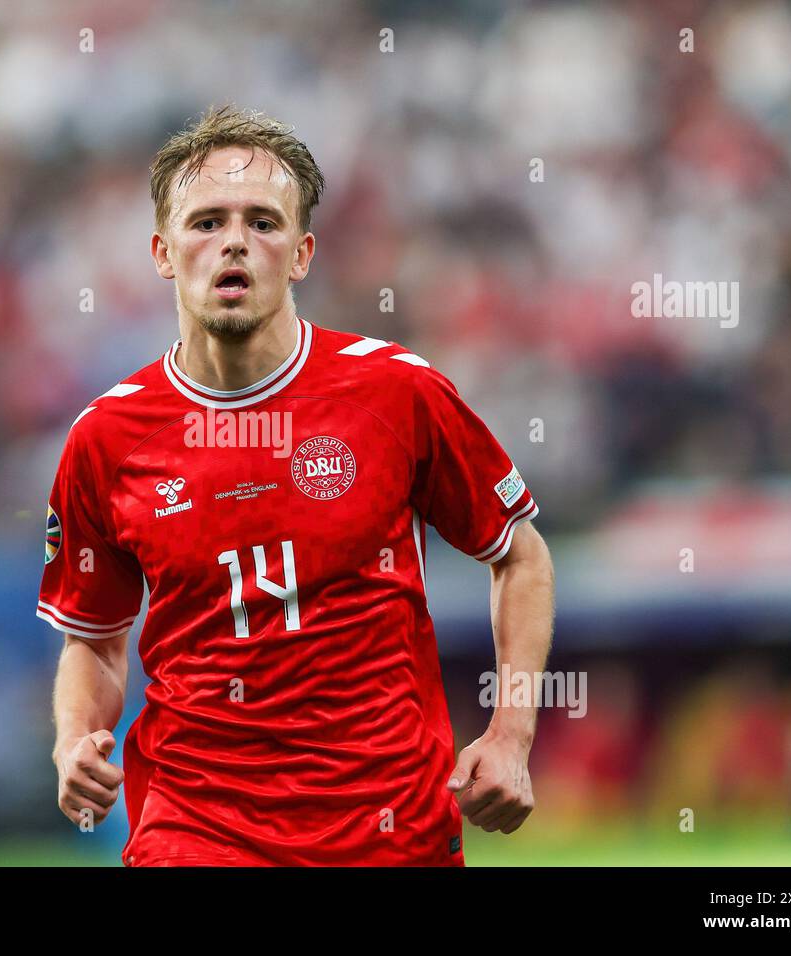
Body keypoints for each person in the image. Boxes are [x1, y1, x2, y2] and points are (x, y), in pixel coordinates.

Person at [38, 104, 555, 866]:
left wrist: (510, 735)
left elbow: (521, 557)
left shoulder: (395, 394)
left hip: (387, 825)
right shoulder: (105, 440)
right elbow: (96, 640)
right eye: (207, 221)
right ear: (162, 250)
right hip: (196, 828)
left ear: (303, 252)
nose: (235, 241)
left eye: (264, 222)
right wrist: (75, 738)